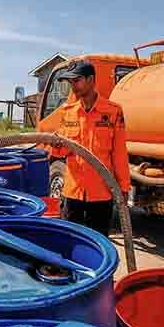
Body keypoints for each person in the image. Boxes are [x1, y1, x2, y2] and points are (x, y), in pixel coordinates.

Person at [50, 60, 130, 237]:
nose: (73, 87)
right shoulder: (67, 112)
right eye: (70, 82)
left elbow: (119, 153)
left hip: (101, 194)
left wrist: (123, 188)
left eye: (77, 81)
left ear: (91, 80)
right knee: (70, 242)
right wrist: (56, 146)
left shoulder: (113, 112)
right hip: (72, 193)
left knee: (98, 243)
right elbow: (60, 152)